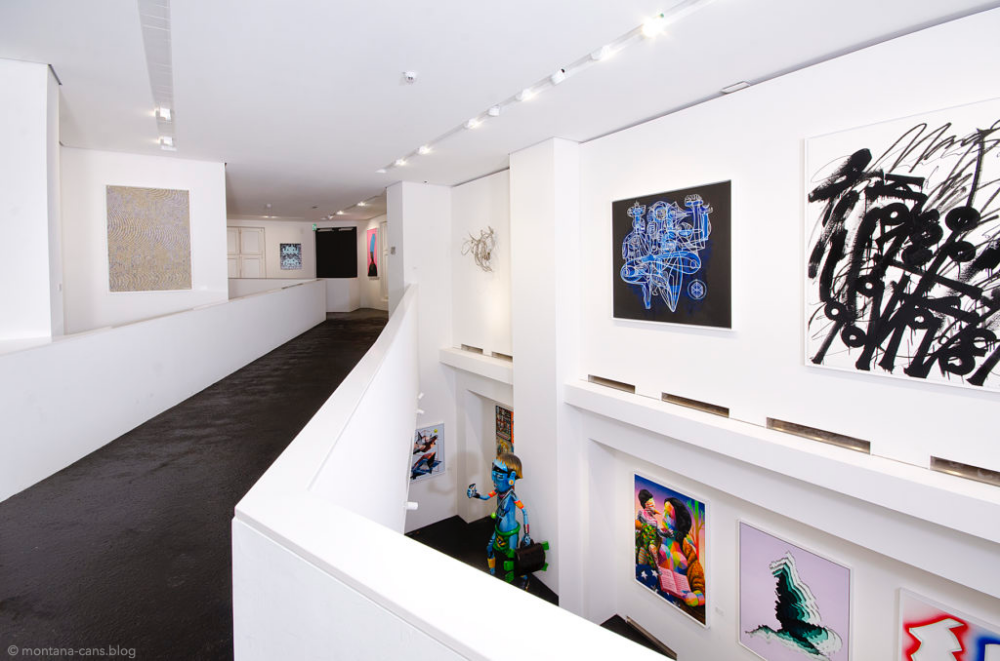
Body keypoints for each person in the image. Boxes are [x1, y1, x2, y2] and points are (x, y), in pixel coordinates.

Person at [466, 453, 531, 581]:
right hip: (498, 530)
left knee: (512, 555)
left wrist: (526, 534)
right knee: (489, 548)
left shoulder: (512, 496)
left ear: (511, 477)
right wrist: (475, 495)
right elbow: (485, 497)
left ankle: (520, 573)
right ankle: (492, 571)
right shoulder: (497, 491)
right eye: (493, 471)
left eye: (498, 474)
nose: (494, 478)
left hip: (511, 533)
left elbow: (524, 511)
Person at [657, 497, 706, 615]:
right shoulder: (657, 536)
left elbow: (699, 585)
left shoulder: (686, 546)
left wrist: (695, 598)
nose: (664, 515)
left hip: (679, 603)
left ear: (678, 520)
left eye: (669, 514)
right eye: (664, 511)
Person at [634, 488, 660, 576]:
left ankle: (656, 567)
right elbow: (637, 524)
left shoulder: (655, 520)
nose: (653, 505)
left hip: (651, 542)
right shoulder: (641, 512)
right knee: (641, 562)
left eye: (653, 503)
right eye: (651, 503)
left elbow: (658, 532)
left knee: (651, 552)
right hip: (642, 542)